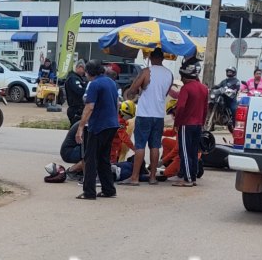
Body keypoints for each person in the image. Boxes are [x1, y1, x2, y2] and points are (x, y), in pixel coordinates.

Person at [122, 48, 174, 186]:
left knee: (140, 146)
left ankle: (134, 178)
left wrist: (138, 83)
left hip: (144, 114)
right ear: (162, 58)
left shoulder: (146, 71)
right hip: (158, 115)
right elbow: (165, 91)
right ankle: (152, 177)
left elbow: (133, 90)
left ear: (151, 57)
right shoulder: (169, 74)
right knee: (155, 146)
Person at [76, 60, 119, 200]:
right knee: (103, 158)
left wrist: (81, 127)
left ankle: (89, 192)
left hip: (99, 126)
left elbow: (89, 107)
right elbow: (117, 104)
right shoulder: (111, 82)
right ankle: (108, 189)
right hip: (112, 124)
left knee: (90, 159)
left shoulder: (94, 84)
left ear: (89, 72)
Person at [172, 59, 208, 187]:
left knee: (185, 152)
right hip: (198, 124)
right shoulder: (204, 88)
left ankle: (187, 179)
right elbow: (205, 109)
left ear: (184, 76)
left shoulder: (186, 88)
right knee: (193, 151)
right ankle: (193, 177)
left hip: (186, 124)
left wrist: (177, 122)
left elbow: (180, 107)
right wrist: (202, 122)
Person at [65, 59, 88, 125]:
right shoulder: (73, 78)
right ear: (79, 68)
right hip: (75, 109)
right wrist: (88, 90)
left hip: (79, 108)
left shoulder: (78, 78)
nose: (84, 72)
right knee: (76, 130)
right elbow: (79, 91)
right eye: (83, 69)